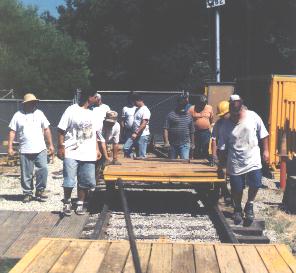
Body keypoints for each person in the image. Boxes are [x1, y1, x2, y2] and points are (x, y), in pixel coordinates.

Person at [218, 94, 269, 225]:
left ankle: (249, 204)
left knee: (256, 183)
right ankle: (237, 208)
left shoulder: (253, 116)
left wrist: (266, 150)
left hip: (252, 157)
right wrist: (221, 164)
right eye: (233, 112)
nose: (236, 115)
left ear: (242, 108)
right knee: (237, 188)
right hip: (235, 159)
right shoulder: (225, 125)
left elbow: (263, 134)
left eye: (238, 111)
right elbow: (222, 146)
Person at [57, 90, 101, 216]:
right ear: (89, 97)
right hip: (71, 151)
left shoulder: (94, 113)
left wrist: (97, 149)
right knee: (69, 180)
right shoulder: (71, 110)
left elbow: (95, 135)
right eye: (95, 96)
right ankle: (67, 202)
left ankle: (80, 204)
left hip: (88, 152)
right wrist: (60, 147)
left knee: (85, 180)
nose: (98, 99)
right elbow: (60, 130)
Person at [8, 93, 54, 203]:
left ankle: (40, 191)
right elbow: (12, 131)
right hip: (25, 149)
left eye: (34, 102)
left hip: (40, 149)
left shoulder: (40, 114)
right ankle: (27, 193)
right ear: (25, 104)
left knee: (43, 170)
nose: (33, 104)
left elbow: (46, 129)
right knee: (26, 173)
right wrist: (10, 147)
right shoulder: (17, 115)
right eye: (30, 102)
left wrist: (51, 144)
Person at [163, 95, 195, 159]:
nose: (182, 107)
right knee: (171, 164)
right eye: (181, 105)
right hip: (172, 145)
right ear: (178, 104)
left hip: (185, 144)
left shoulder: (189, 116)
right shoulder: (171, 115)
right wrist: (166, 142)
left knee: (184, 164)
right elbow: (165, 129)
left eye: (184, 106)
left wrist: (193, 143)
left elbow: (192, 131)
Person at [123, 93, 151, 158]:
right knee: (126, 148)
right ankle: (133, 158)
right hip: (135, 134)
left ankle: (141, 166)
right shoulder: (138, 109)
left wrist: (136, 132)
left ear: (139, 100)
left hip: (142, 135)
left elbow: (144, 124)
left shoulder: (146, 110)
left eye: (134, 102)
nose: (134, 104)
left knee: (141, 155)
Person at [188, 95, 213, 159]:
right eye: (201, 104)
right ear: (198, 103)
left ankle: (205, 160)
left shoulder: (209, 108)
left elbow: (211, 119)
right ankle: (197, 160)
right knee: (196, 148)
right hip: (195, 132)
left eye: (204, 104)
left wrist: (209, 126)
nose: (203, 105)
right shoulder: (191, 109)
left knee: (205, 147)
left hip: (206, 132)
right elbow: (188, 120)